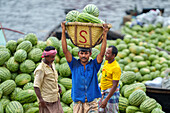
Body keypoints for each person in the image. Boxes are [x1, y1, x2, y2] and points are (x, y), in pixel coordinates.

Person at [61, 21, 109, 113]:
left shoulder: (94, 65)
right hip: (78, 103)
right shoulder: (74, 64)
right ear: (78, 54)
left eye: (86, 53)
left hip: (92, 103)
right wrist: (63, 31)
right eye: (81, 53)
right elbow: (65, 50)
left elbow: (102, 54)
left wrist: (105, 34)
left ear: (90, 54)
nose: (84, 56)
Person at [34, 46, 64, 113]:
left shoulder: (52, 64)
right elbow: (36, 86)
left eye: (54, 56)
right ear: (46, 56)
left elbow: (52, 79)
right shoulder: (40, 69)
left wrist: (58, 86)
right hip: (47, 101)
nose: (54, 59)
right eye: (52, 57)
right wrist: (41, 100)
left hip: (55, 97)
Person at [98, 45, 121, 113]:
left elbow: (114, 86)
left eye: (108, 53)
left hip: (111, 94)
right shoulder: (106, 62)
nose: (105, 54)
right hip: (104, 92)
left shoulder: (116, 68)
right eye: (106, 52)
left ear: (113, 55)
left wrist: (106, 99)